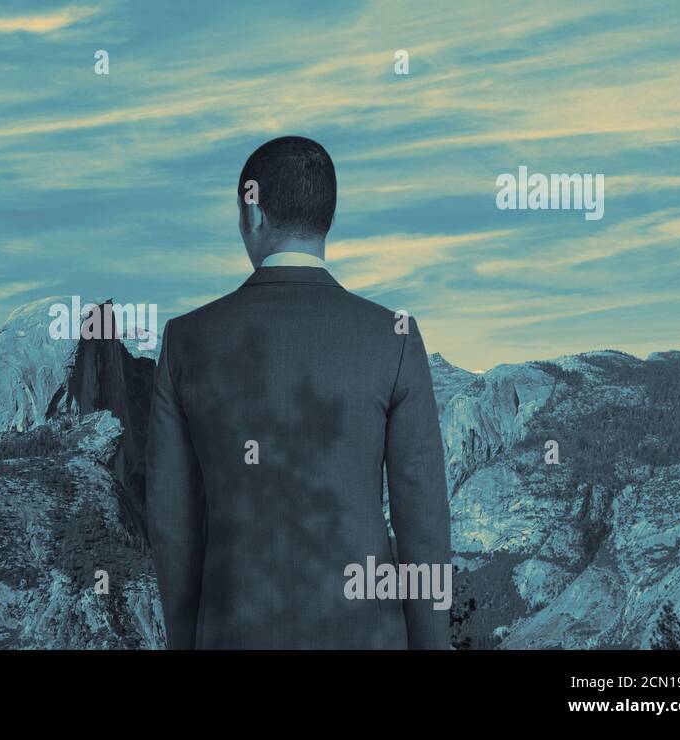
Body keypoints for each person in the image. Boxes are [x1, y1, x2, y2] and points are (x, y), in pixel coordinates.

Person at [145, 136, 451, 649]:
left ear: (254, 211)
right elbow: (423, 528)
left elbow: (173, 526)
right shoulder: (393, 336)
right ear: (327, 216)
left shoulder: (186, 340)